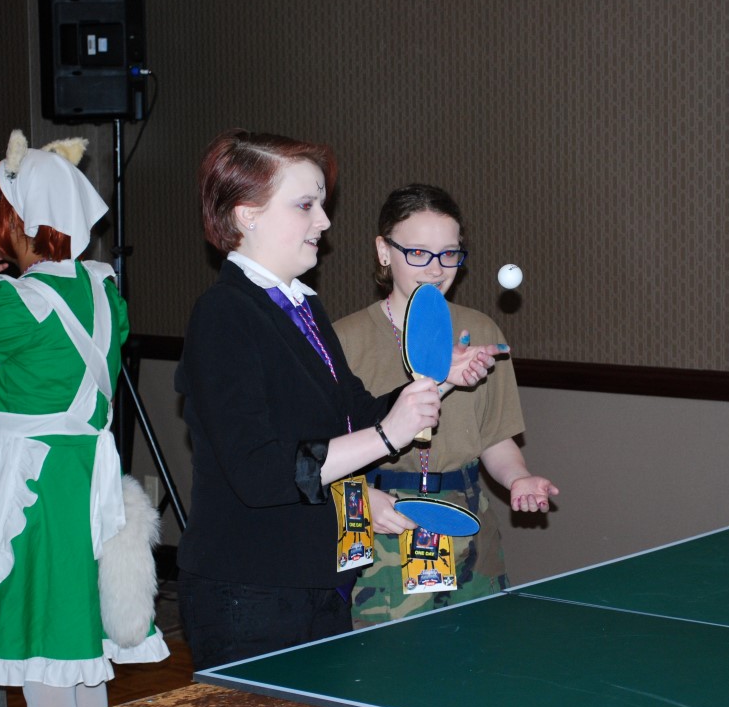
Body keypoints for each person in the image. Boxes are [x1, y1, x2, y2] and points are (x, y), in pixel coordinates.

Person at [174, 130, 501, 671]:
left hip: (317, 581)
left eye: (321, 204)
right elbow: (260, 474)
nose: (325, 221)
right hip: (249, 591)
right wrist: (388, 434)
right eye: (305, 205)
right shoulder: (224, 315)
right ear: (247, 215)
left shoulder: (302, 308)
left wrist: (439, 383)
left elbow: (358, 415)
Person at [0, 131, 168, 707]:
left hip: (29, 495)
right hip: (85, 486)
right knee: (78, 651)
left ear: (13, 220)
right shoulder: (103, 291)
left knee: (43, 656)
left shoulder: (9, 306)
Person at [333, 183, 559, 627]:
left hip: (467, 523)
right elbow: (314, 456)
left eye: (449, 254)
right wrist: (356, 499)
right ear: (384, 251)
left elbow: (494, 437)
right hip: (382, 522)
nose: (436, 269)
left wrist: (518, 477)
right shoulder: (342, 340)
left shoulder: (481, 330)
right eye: (418, 252)